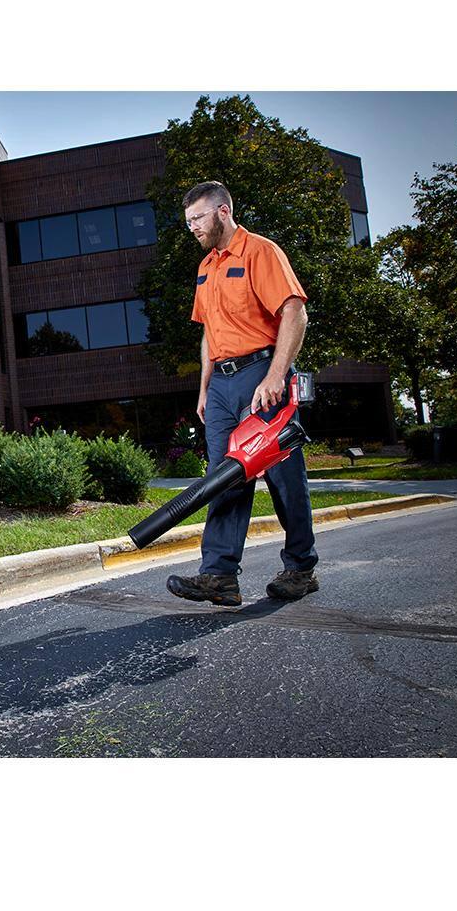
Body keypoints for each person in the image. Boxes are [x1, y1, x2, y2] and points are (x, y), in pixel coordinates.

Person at [167, 181, 318, 607]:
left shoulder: (260, 252)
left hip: (260, 375)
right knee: (223, 479)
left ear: (222, 212)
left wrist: (275, 375)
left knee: (283, 477)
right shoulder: (205, 267)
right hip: (221, 386)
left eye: (197, 218)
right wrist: (203, 389)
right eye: (188, 221)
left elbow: (295, 312)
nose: (191, 227)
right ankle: (219, 576)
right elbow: (208, 336)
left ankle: (301, 567)